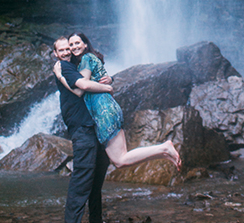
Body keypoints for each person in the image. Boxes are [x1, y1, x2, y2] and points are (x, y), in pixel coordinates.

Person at [54, 32, 182, 171]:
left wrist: (60, 76)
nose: (73, 47)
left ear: (85, 44)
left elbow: (82, 87)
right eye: (70, 44)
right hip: (105, 110)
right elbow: (99, 76)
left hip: (104, 112)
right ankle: (164, 153)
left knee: (120, 159)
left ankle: (164, 148)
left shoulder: (86, 58)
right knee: (119, 159)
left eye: (77, 43)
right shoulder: (86, 59)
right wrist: (110, 80)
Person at [51, 36, 115, 223]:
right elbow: (80, 89)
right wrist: (107, 87)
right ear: (55, 53)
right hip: (81, 127)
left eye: (68, 48)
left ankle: (96, 219)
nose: (66, 51)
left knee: (98, 171)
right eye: (61, 49)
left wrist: (109, 79)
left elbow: (95, 73)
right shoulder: (64, 67)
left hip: (96, 125)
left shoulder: (78, 63)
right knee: (83, 174)